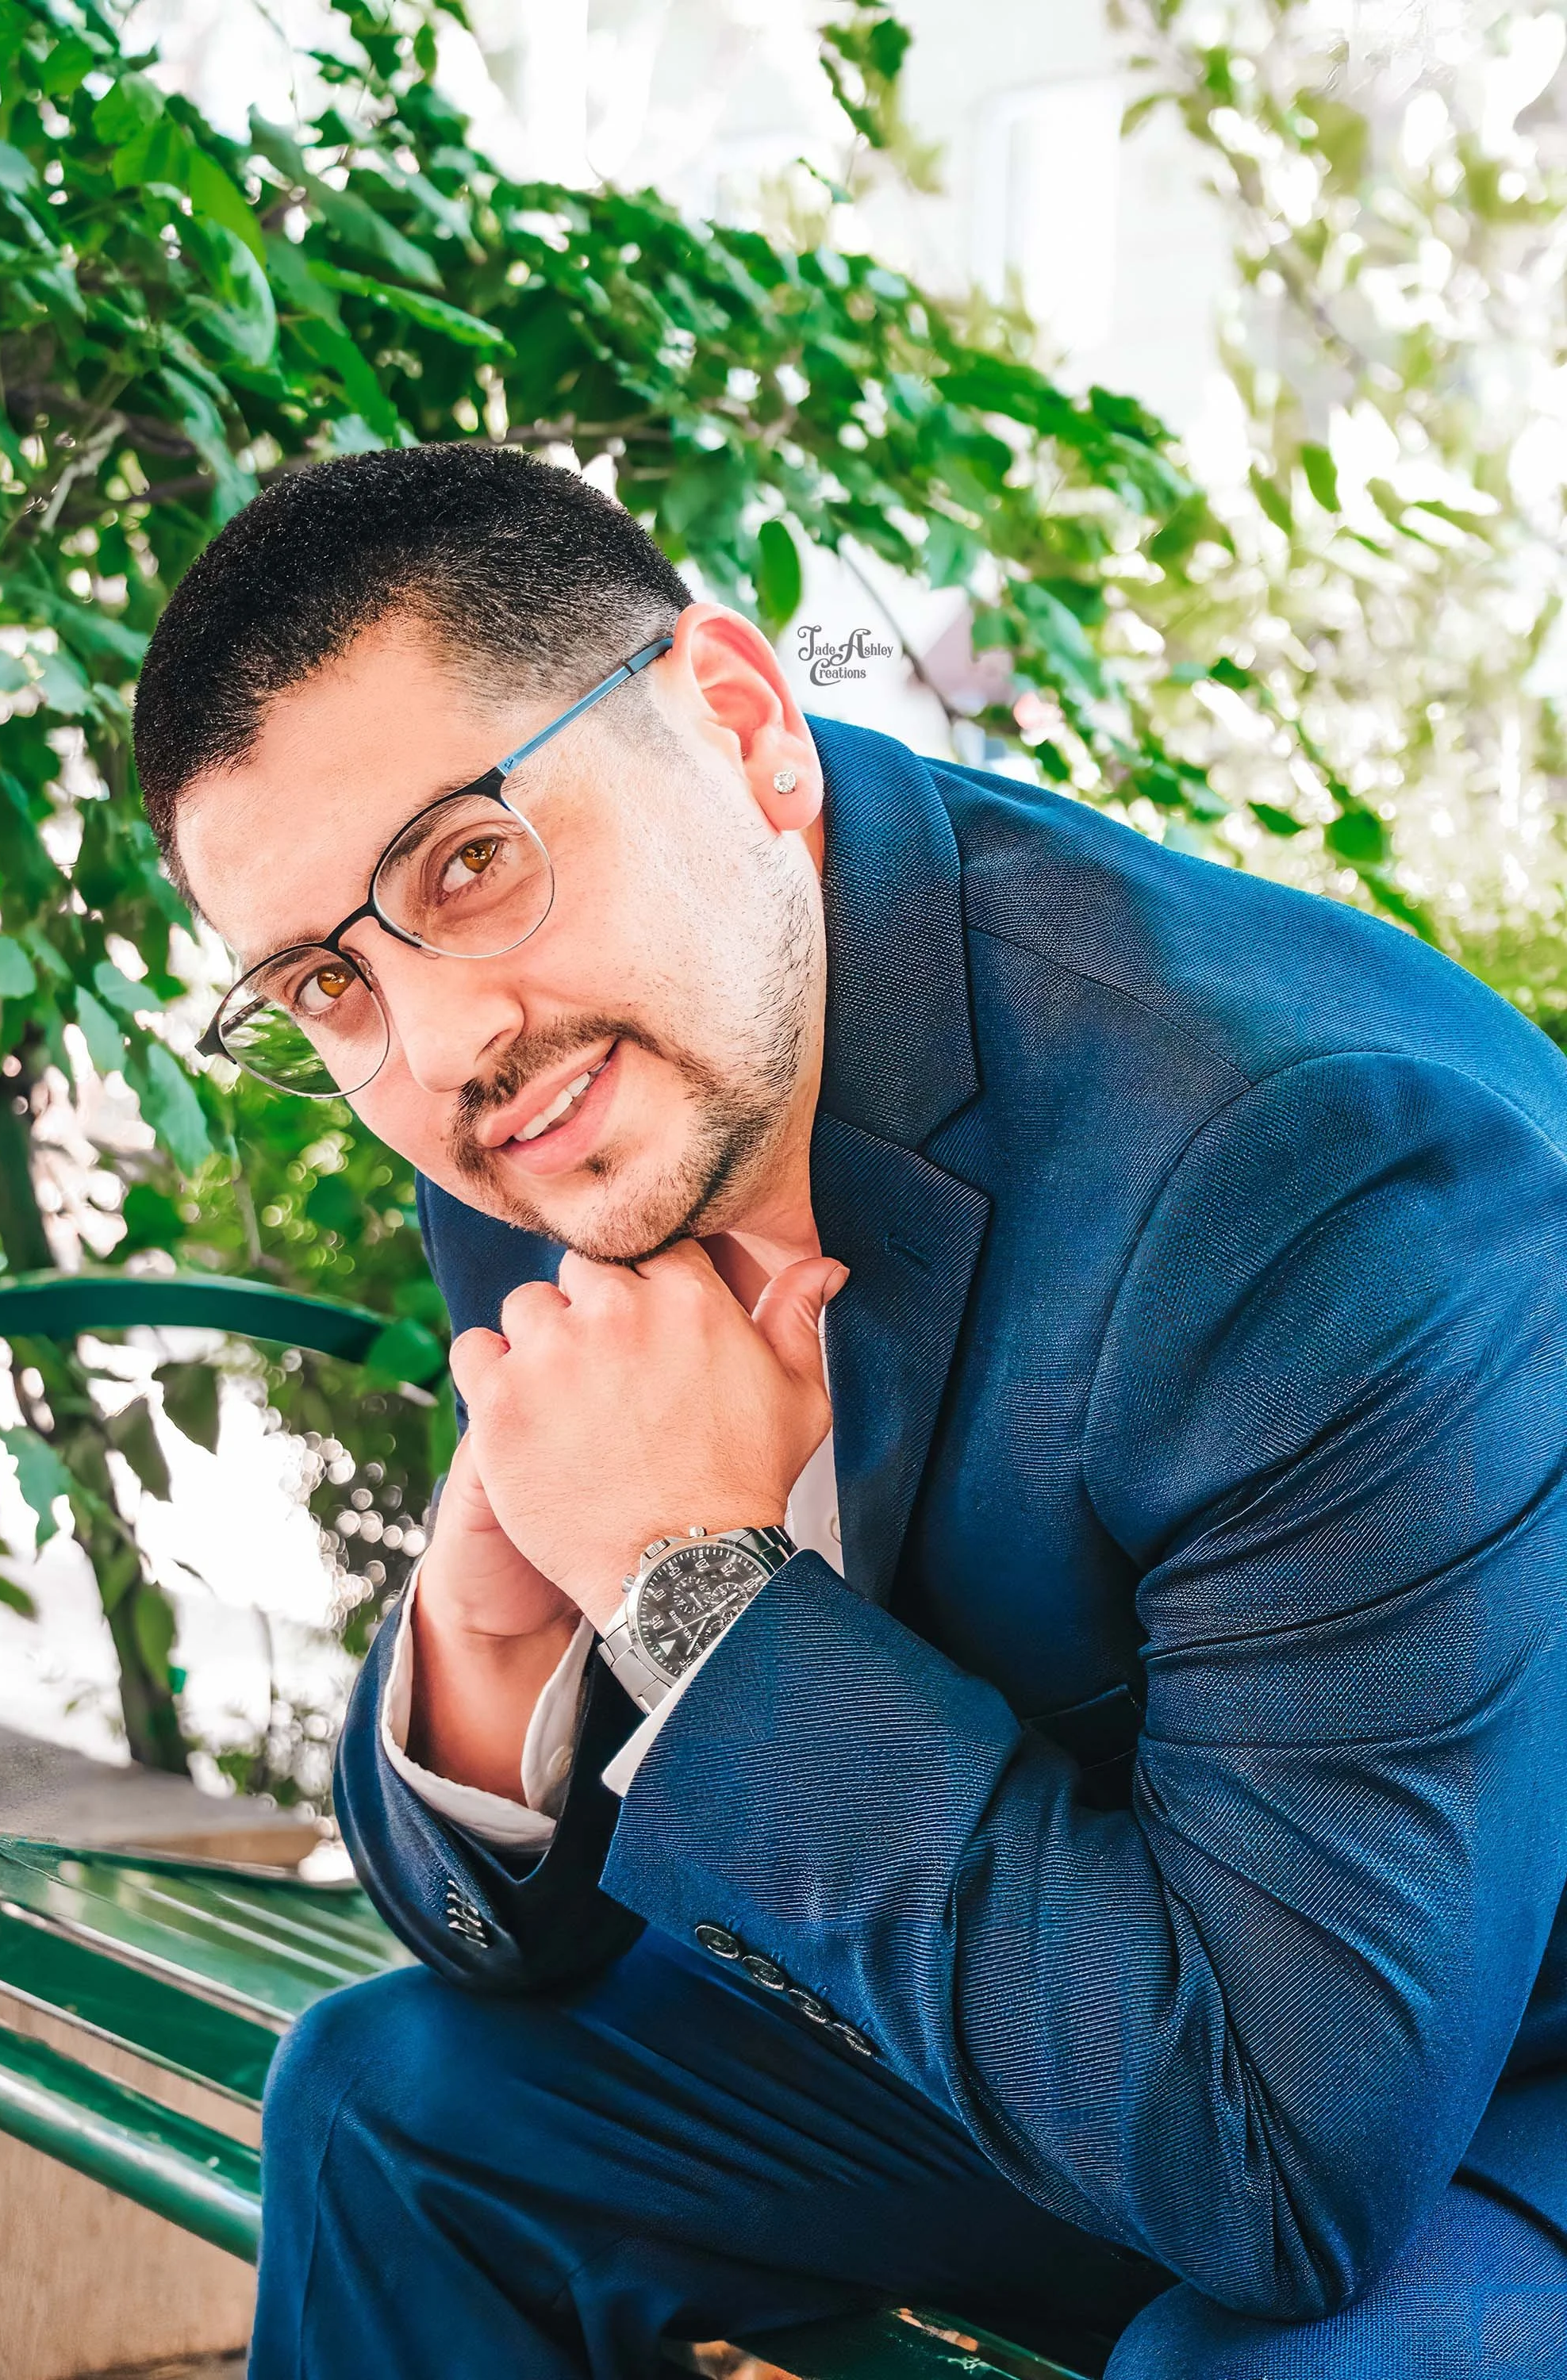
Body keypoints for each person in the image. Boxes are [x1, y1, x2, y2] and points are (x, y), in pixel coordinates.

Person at [132, 442, 1567, 2380]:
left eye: (468, 860)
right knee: (393, 2109)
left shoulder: (1299, 1173)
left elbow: (1284, 2168)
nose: (442, 1039)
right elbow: (506, 1951)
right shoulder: (549, 1125)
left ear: (740, 729)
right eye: (323, 981)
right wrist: (493, 1626)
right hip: (1093, 2022)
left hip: (1465, 2082)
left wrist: (694, 1594)